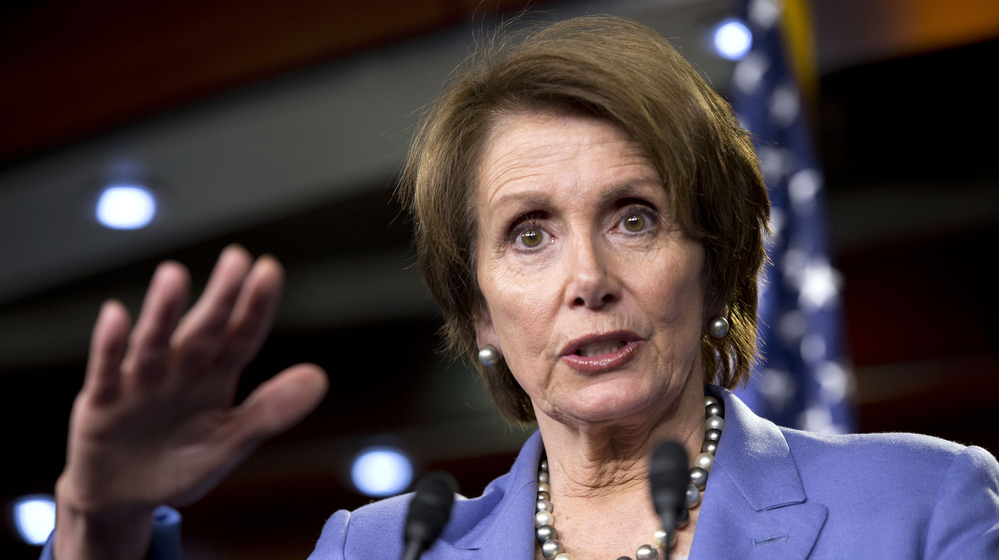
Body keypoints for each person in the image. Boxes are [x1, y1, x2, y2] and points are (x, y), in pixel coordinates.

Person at [42, 15, 999, 560]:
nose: (588, 279)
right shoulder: (382, 549)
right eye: (528, 234)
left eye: (634, 217)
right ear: (476, 310)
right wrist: (99, 520)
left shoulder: (920, 503)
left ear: (715, 268)